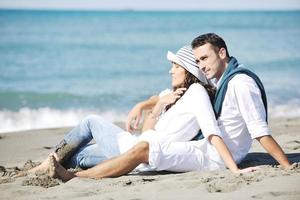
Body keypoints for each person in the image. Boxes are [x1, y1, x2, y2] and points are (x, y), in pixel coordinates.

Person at [44, 39, 264, 181]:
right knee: (79, 156)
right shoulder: (177, 95)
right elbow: (152, 118)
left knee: (91, 121)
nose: (170, 71)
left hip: (133, 150)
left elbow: (211, 131)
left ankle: (53, 170)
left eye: (176, 66)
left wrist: (233, 168)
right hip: (134, 146)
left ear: (188, 71)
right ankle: (42, 168)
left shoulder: (196, 93)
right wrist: (155, 105)